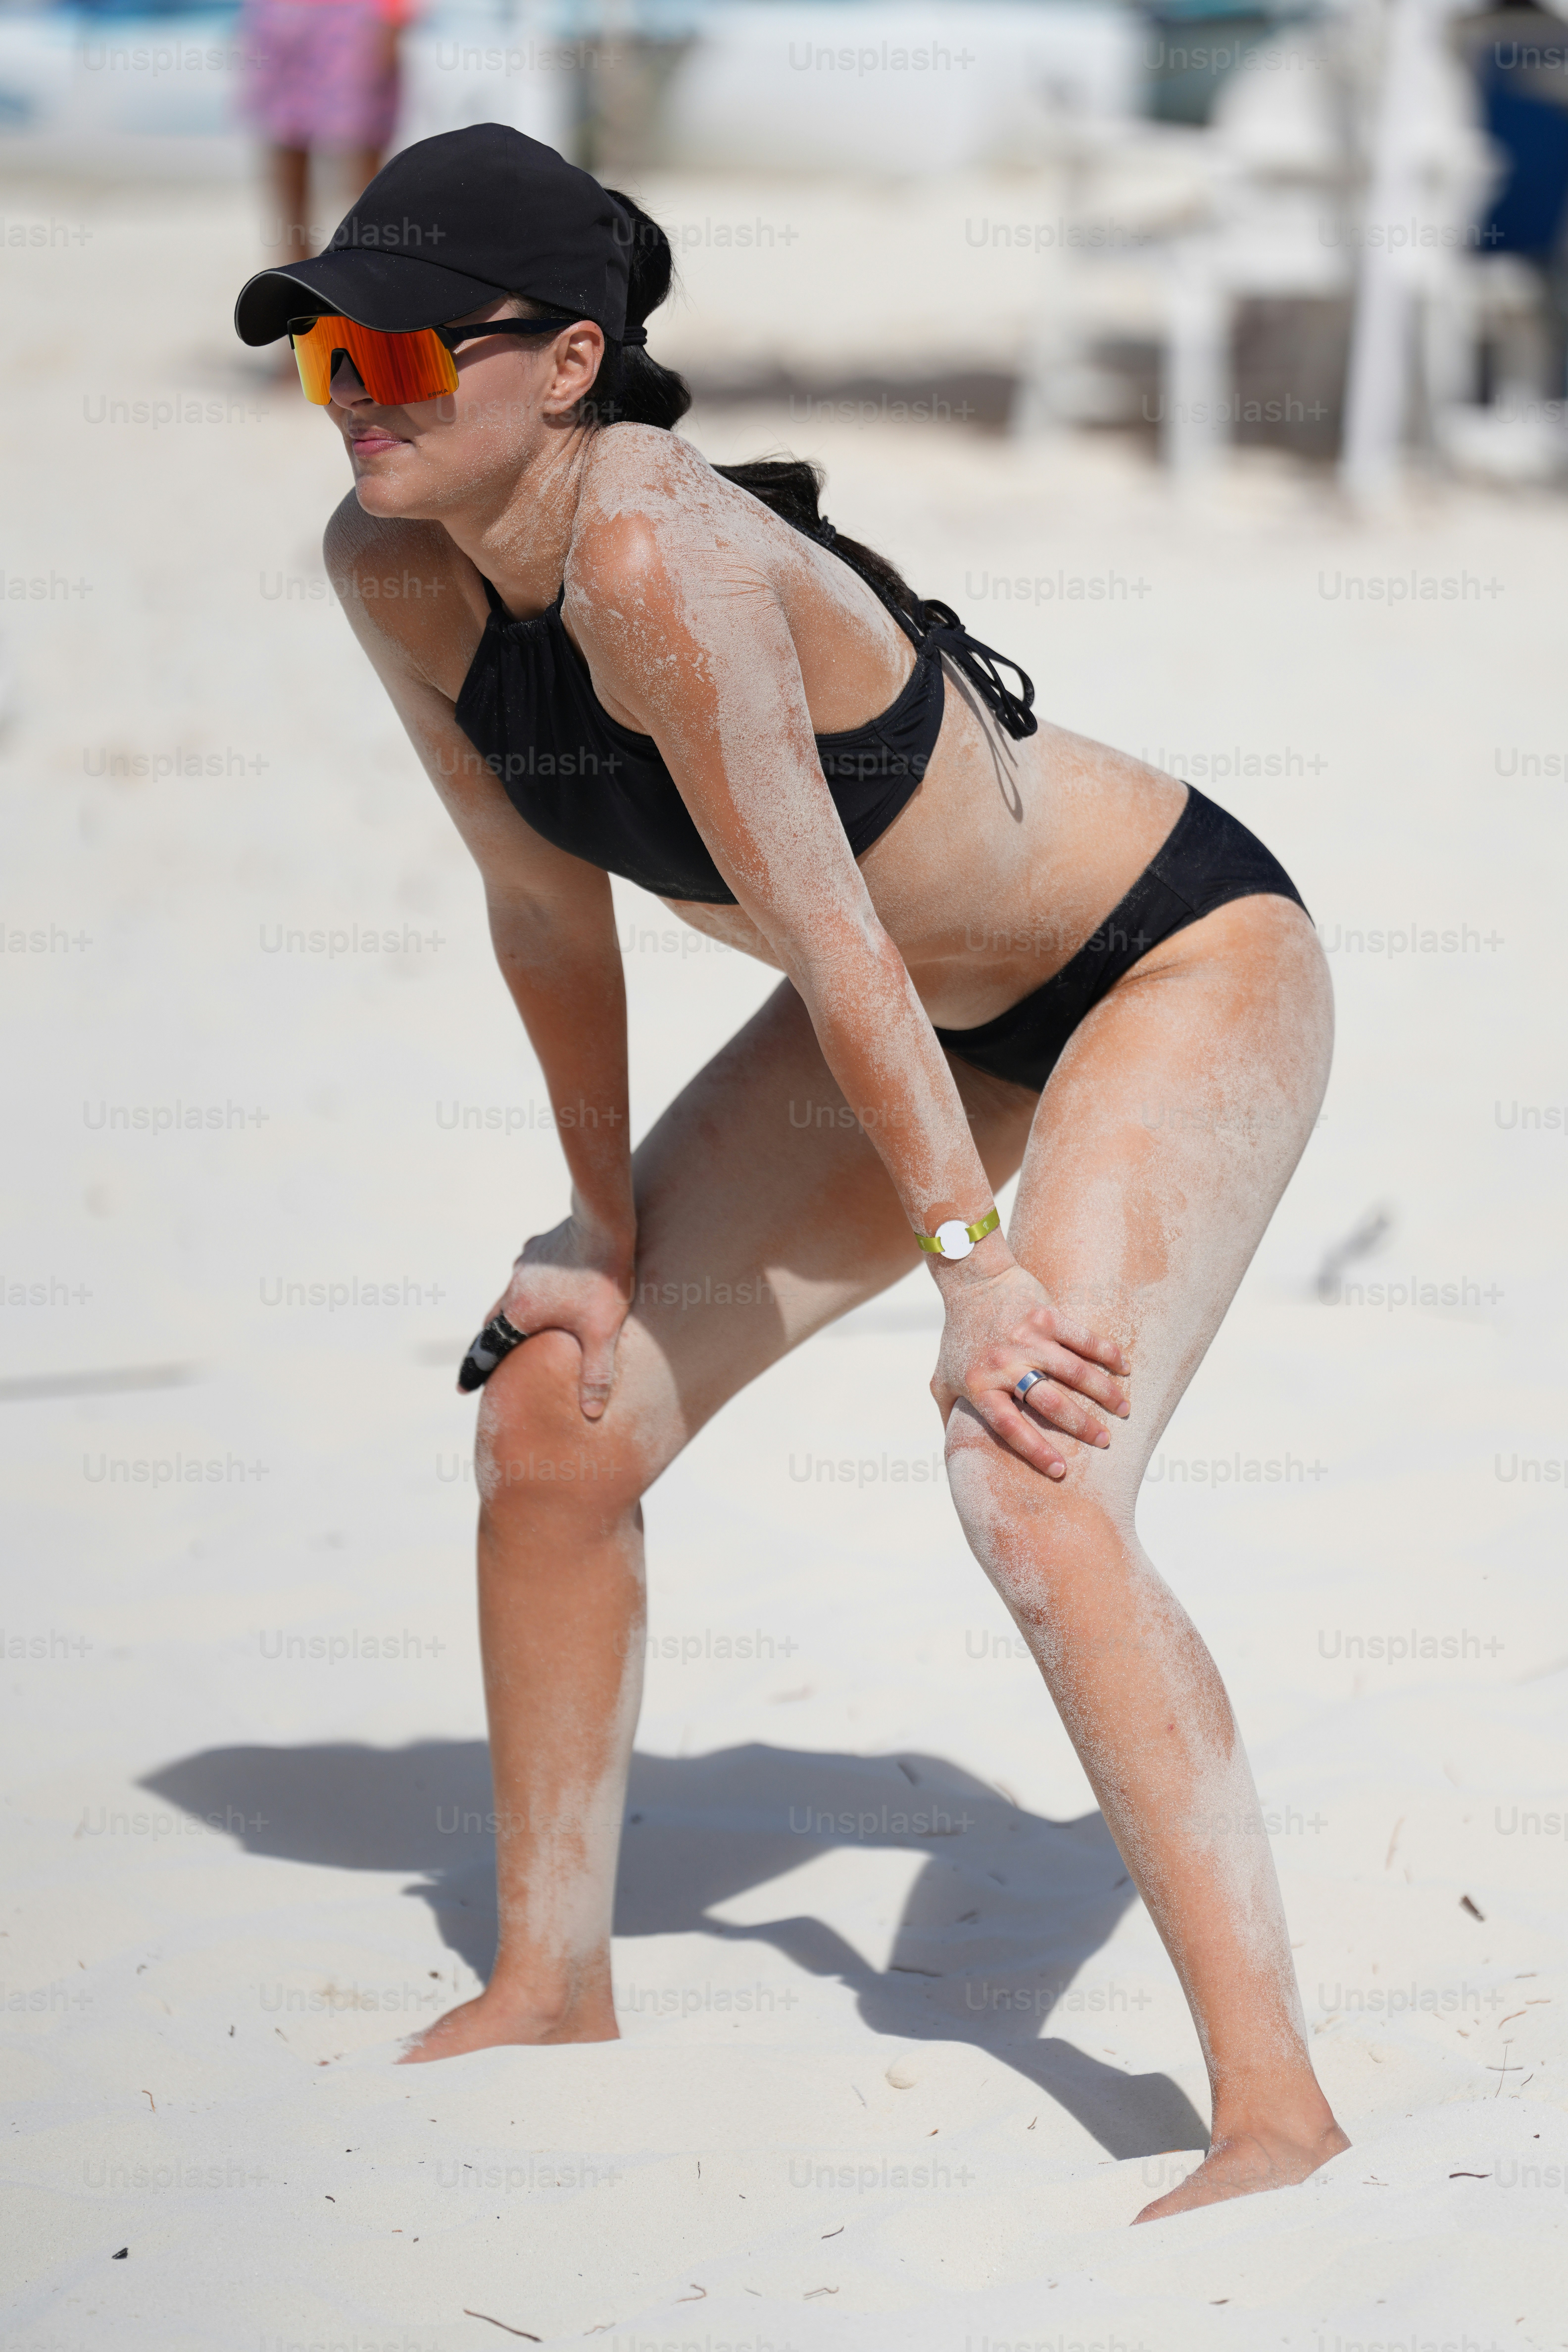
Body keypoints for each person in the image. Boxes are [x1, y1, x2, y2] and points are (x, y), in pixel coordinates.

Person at [234, 123, 1347, 2223]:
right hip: (909, 1021)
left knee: (1024, 1471)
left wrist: (972, 1272)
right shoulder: (392, 570)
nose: (357, 399)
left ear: (566, 366)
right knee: (554, 1418)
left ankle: (1269, 2107)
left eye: (394, 353)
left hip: (1159, 965)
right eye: (321, 363)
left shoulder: (664, 555)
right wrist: (594, 1218)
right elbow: (542, 906)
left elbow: (833, 933)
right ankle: (552, 1978)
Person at [236, 0, 410, 260]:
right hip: (280, 13)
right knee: (285, 143)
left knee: (364, 150)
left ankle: (373, 265)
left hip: (360, 14)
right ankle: (295, 274)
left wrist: (395, 11)